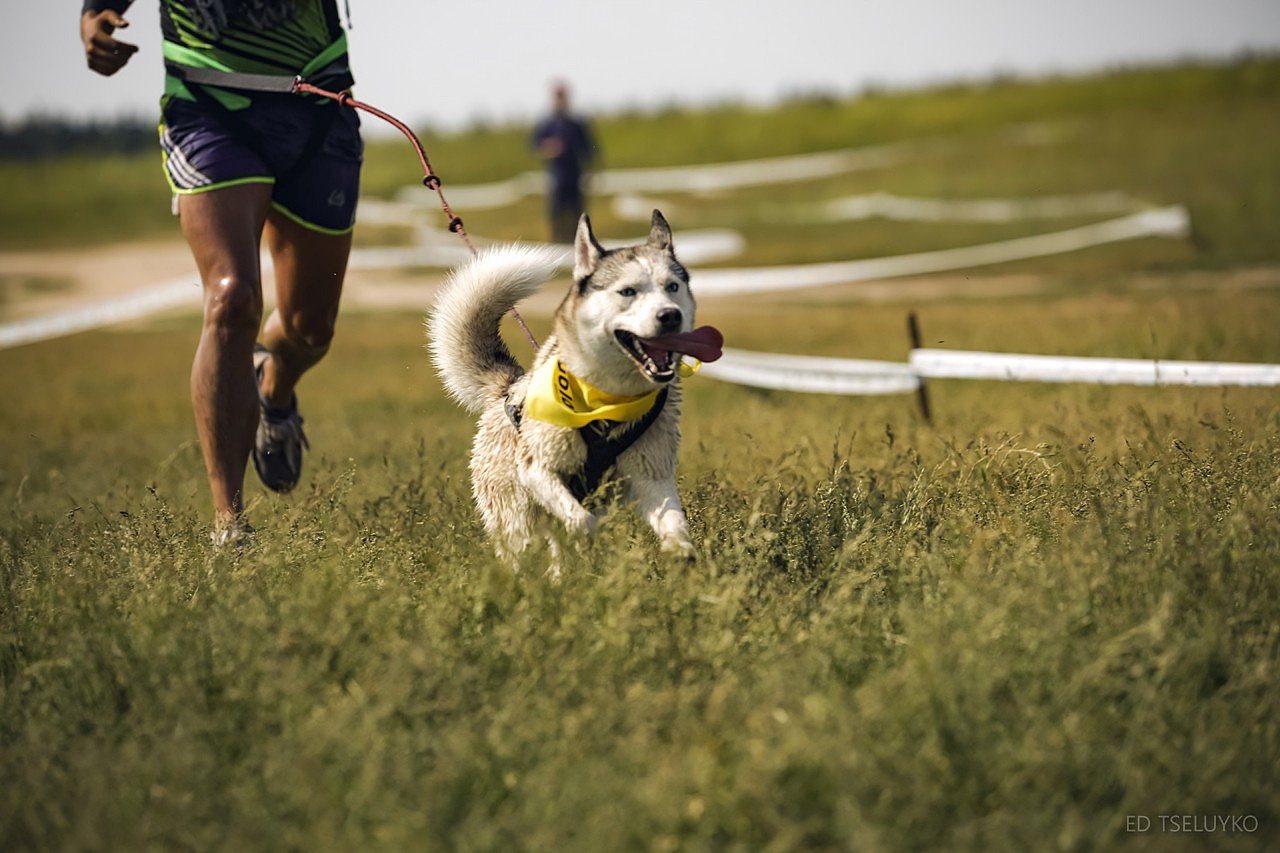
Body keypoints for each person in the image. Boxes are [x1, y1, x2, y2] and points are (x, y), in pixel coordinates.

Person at [80, 0, 363, 546]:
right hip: (208, 109)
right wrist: (95, 16)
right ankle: (230, 527)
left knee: (310, 329)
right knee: (231, 300)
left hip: (316, 105)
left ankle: (273, 390)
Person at [530, 82, 597, 245]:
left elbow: (588, 148)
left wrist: (590, 172)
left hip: (575, 175)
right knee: (556, 214)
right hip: (556, 176)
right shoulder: (546, 123)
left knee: (577, 214)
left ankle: (579, 244)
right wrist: (548, 149)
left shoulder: (576, 123)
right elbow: (534, 145)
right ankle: (557, 243)